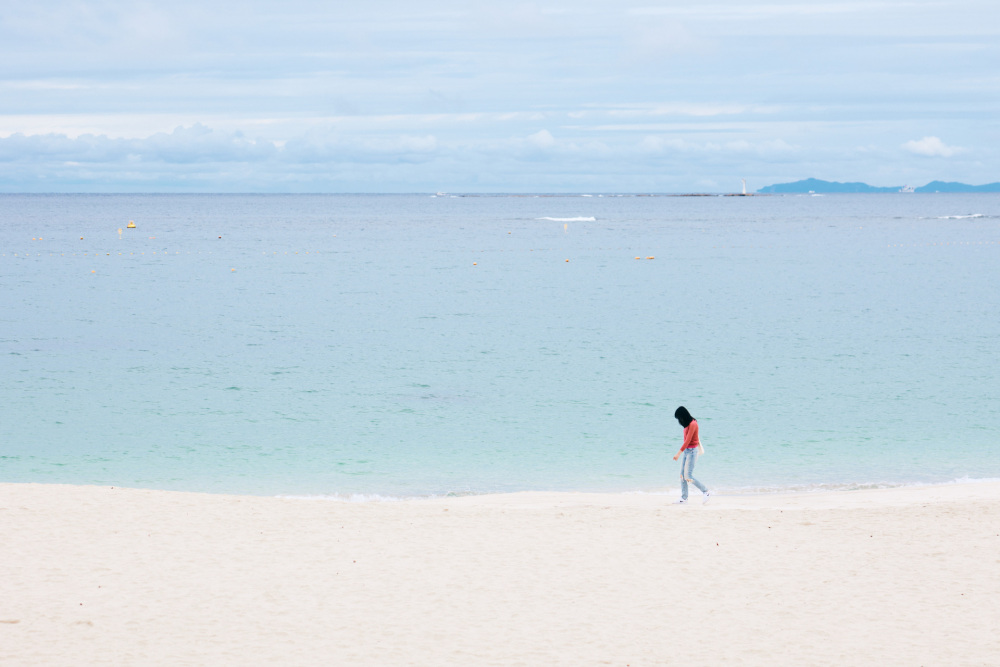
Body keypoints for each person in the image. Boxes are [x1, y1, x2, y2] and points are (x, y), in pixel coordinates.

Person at [672, 406, 710, 504]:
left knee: (688, 475)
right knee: (682, 475)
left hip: (692, 452)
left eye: (679, 418)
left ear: (683, 415)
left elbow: (688, 440)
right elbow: (686, 440)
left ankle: (706, 491)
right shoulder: (687, 424)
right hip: (686, 451)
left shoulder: (693, 424)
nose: (679, 421)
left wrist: (678, 454)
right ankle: (684, 498)